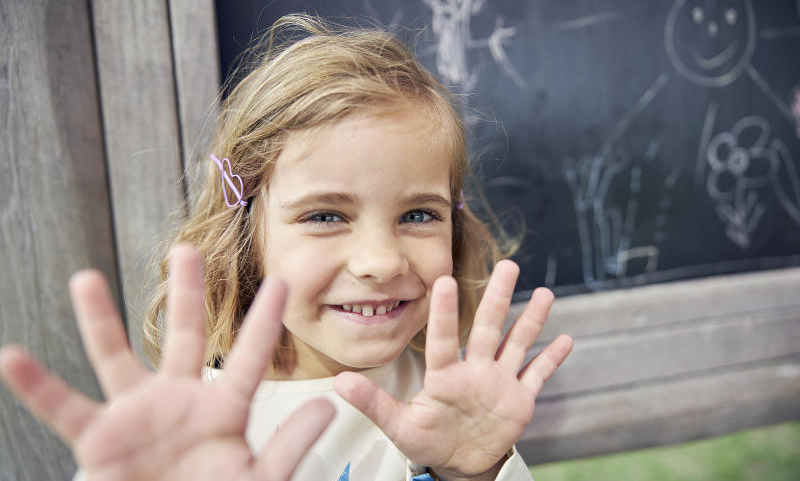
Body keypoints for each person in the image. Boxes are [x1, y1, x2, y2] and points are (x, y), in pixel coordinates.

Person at [0, 14, 573, 481]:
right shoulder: (190, 427)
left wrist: (475, 472)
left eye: (418, 214)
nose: (380, 261)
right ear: (248, 235)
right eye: (326, 215)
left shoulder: (458, 398)